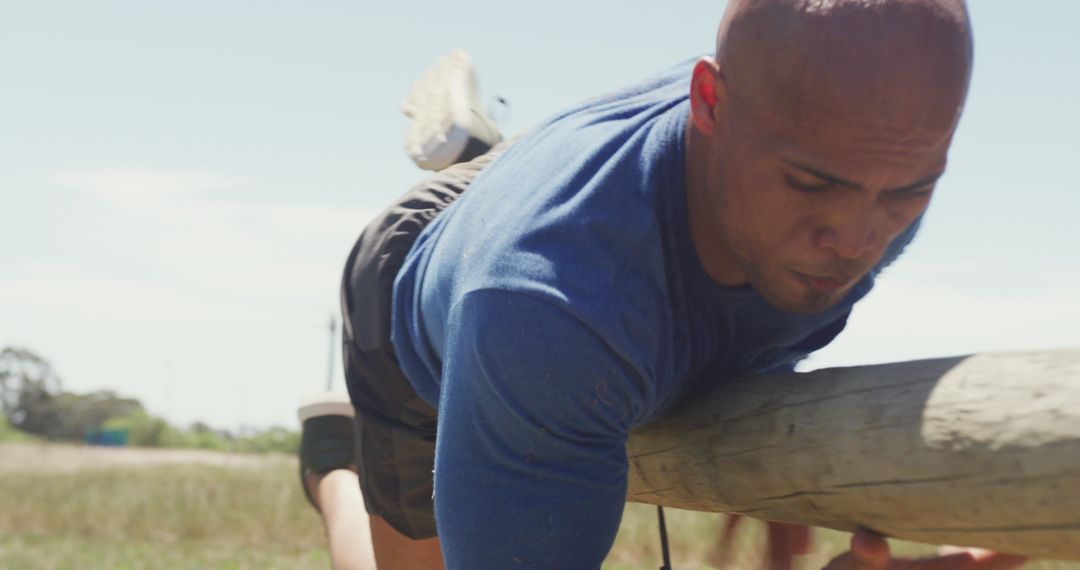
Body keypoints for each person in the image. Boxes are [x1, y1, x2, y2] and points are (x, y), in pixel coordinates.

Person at [297, 0, 1031, 568]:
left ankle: (484, 151)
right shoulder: (544, 319)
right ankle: (332, 463)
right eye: (810, 184)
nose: (858, 239)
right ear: (709, 102)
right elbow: (569, 308)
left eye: (909, 192)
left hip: (586, 206)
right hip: (417, 273)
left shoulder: (865, 164)